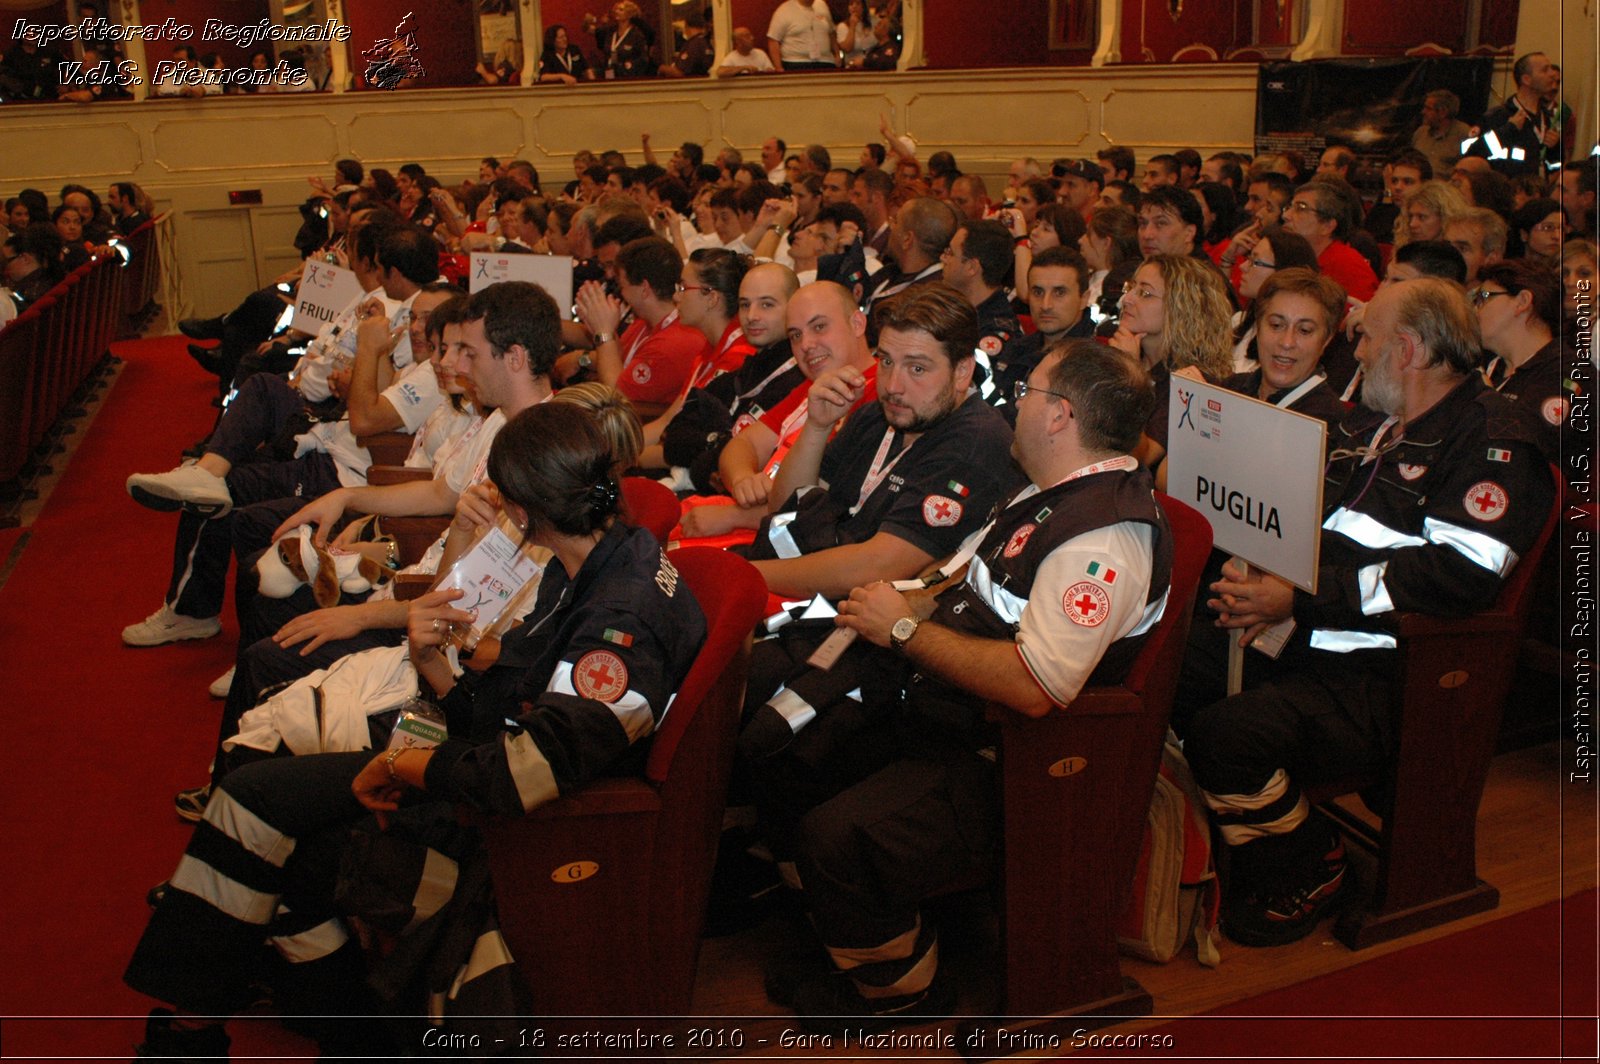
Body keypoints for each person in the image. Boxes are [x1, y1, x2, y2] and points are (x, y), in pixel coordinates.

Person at [124, 402, 706, 1058]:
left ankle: (202, 1033)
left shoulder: (616, 619)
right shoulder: (604, 558)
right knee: (266, 824)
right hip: (480, 773)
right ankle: (285, 1028)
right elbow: (506, 714)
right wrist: (437, 672)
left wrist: (406, 765)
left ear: (519, 512)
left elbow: (527, 774)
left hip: (504, 842)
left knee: (255, 810)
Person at [755, 341, 1170, 1032]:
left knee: (838, 835)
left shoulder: (1103, 538)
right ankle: (849, 938)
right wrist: (909, 602)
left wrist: (905, 633)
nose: (1014, 404)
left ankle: (900, 992)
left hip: (1013, 757)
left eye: (1028, 392)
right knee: (795, 753)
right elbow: (964, 580)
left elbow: (1036, 687)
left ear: (1061, 416)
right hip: (947, 709)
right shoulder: (1048, 484)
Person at [1176, 277, 1553, 948]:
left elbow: (1459, 576)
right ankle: (1220, 839)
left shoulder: (1494, 440)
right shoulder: (1387, 424)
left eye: (1365, 337)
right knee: (1173, 666)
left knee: (1226, 735)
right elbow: (1334, 534)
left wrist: (1299, 596)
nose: (1357, 349)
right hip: (1323, 635)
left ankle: (1311, 860)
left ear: (1405, 349)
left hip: (1394, 671)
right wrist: (1272, 575)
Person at [1108, 254, 1235, 486]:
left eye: (1145, 293)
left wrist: (1128, 374)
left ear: (1181, 309)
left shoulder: (1194, 380)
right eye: (1131, 287)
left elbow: (1140, 457)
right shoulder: (1126, 355)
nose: (1127, 299)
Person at [1474, 260, 1569, 463]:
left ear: (1522, 301)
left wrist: (1481, 391)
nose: (1475, 309)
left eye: (1483, 298)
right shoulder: (1490, 365)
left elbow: (1528, 450)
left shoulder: (1565, 373)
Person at [1282, 179, 1379, 301]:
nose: (1285, 216)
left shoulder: (1349, 269)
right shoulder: (1290, 256)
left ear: (1327, 226)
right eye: (1289, 207)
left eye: (1301, 208)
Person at [1464, 52, 1558, 178]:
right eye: (1545, 70)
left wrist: (1555, 149)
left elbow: (1553, 168)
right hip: (1501, 192)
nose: (1552, 74)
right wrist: (1507, 130)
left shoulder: (1548, 118)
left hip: (1533, 193)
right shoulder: (1497, 116)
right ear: (1526, 79)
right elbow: (1470, 154)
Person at [1411, 89, 1473, 180]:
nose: (1423, 112)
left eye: (1428, 108)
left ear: (1442, 112)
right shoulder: (1421, 132)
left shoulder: (1464, 134)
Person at [767, 0, 836, 71]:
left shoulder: (822, 6)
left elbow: (831, 32)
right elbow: (773, 40)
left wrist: (837, 54)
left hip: (826, 62)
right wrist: (778, 67)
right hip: (796, 63)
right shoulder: (784, 10)